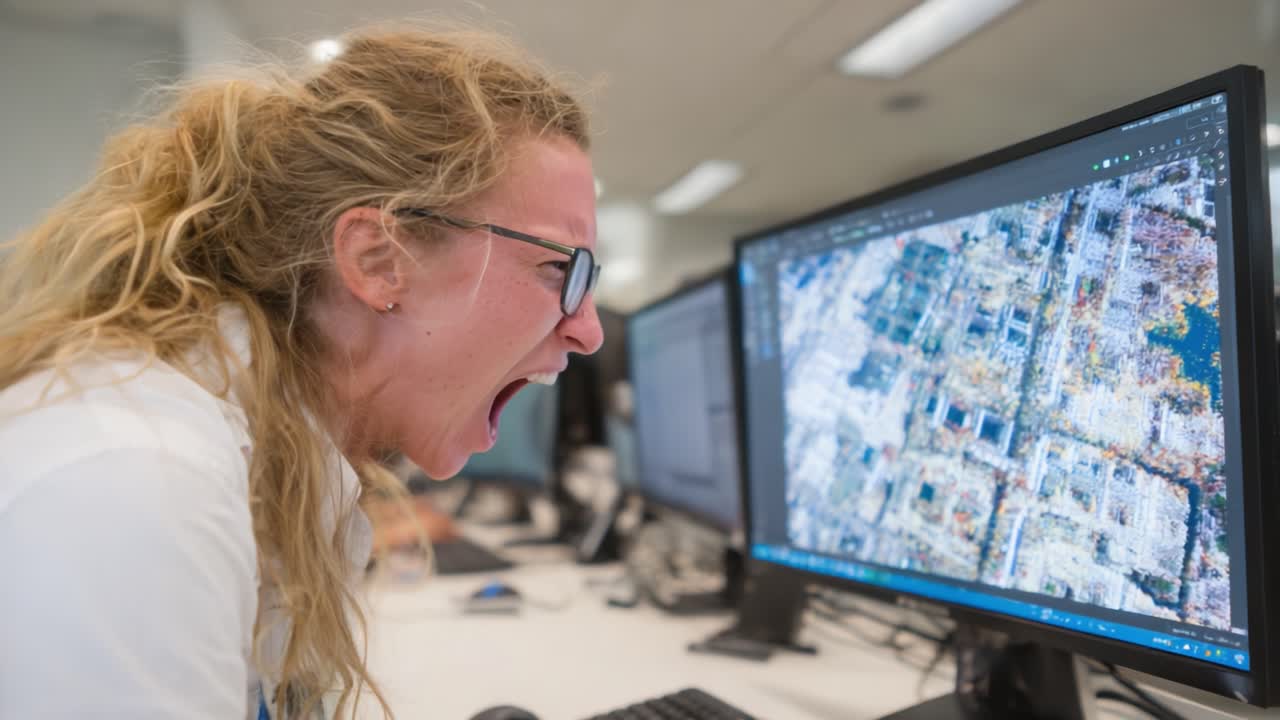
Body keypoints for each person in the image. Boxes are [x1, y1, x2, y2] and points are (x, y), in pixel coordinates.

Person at [0, 24, 603, 720]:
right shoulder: (134, 489)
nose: (588, 331)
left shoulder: (273, 471)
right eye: (559, 268)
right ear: (379, 260)